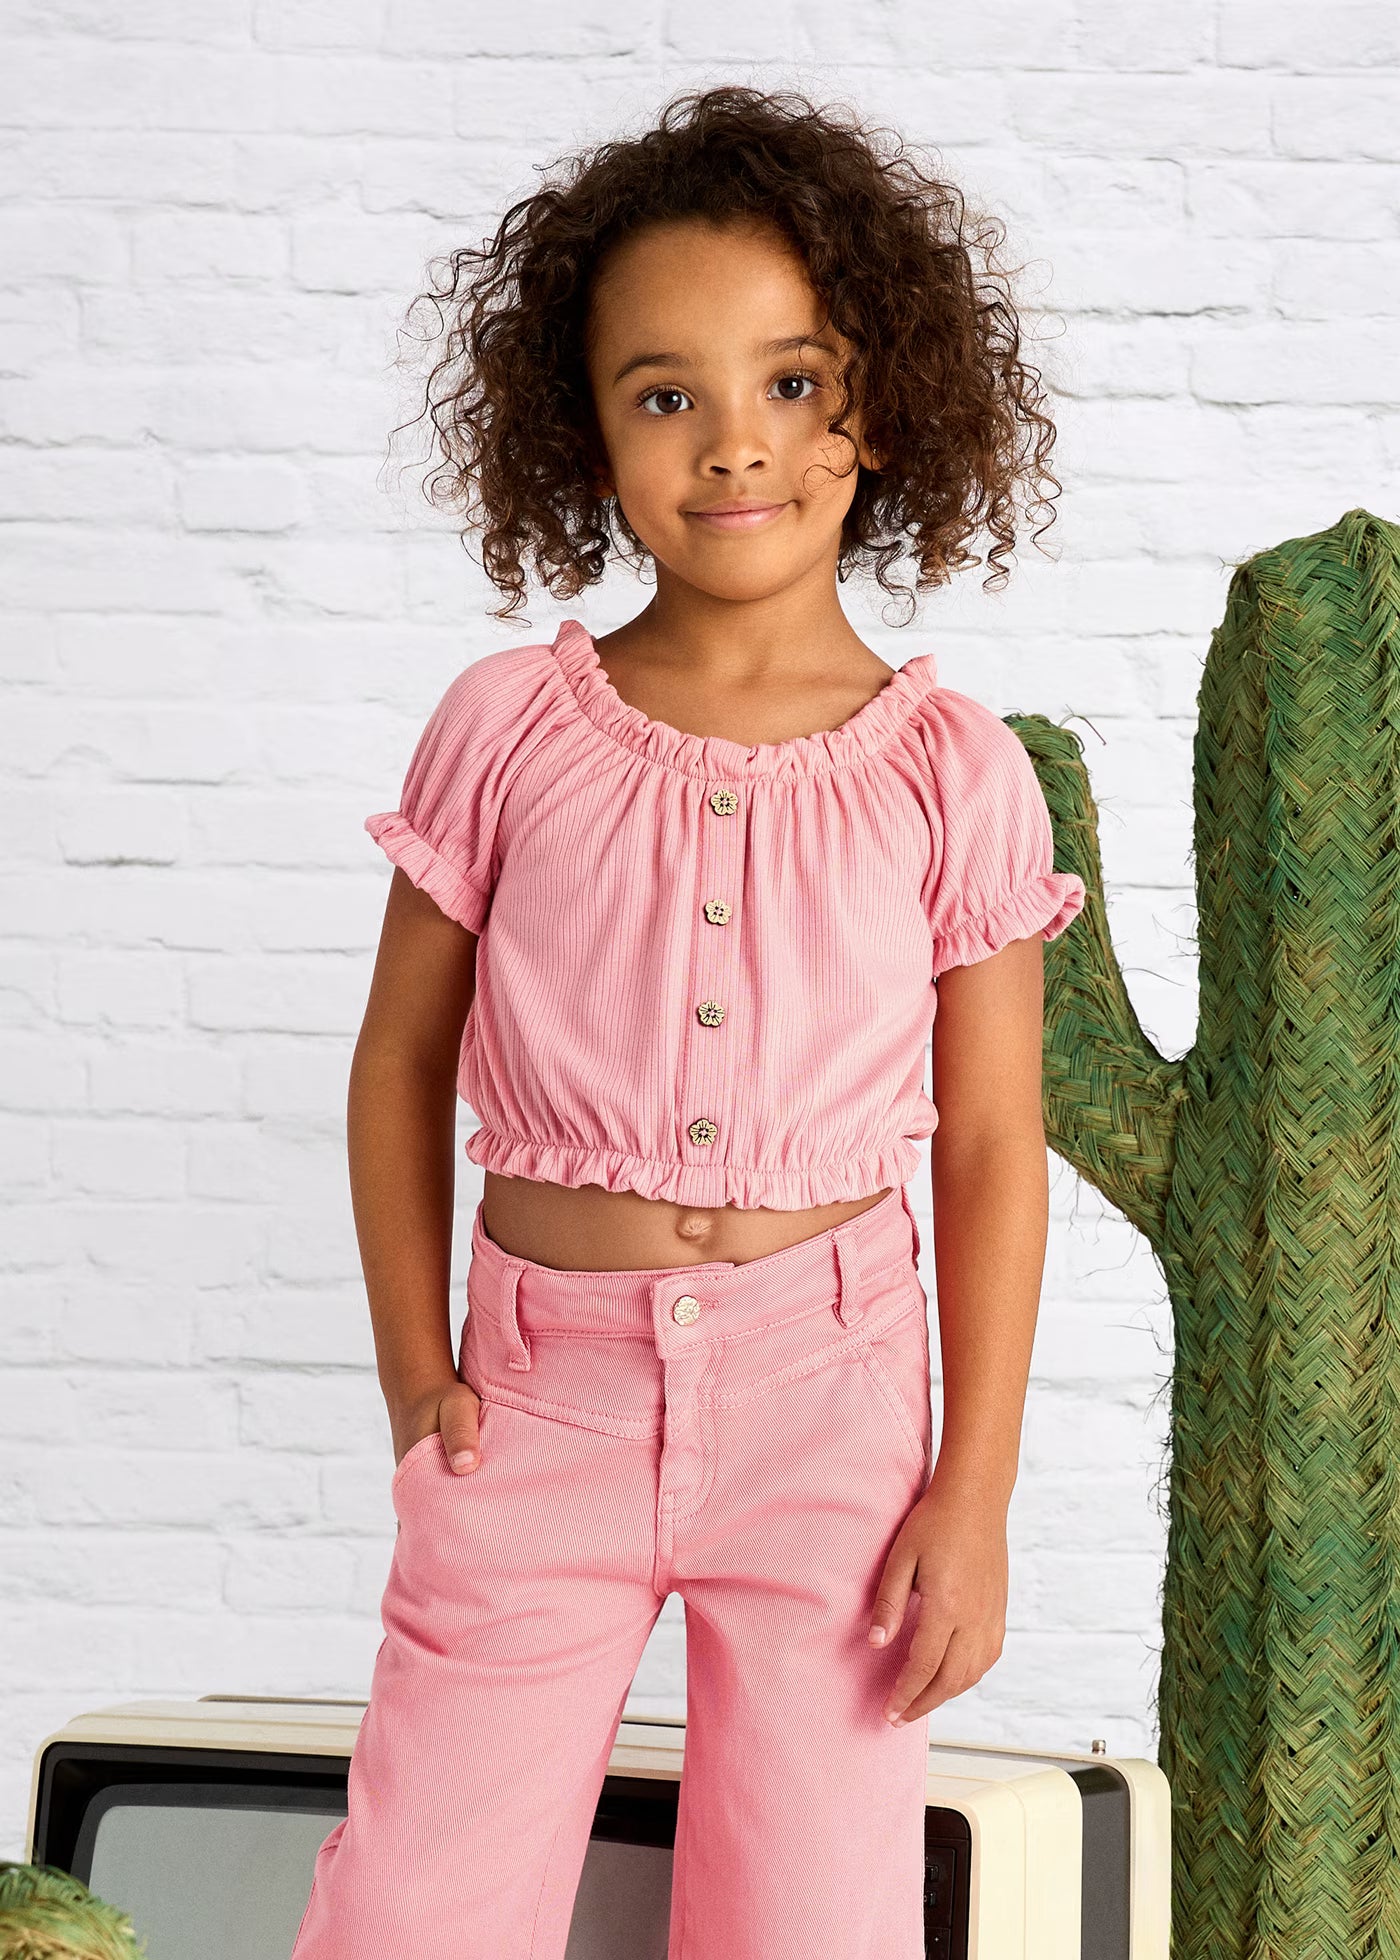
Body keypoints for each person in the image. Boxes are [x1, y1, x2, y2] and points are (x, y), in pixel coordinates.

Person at [290, 83, 1086, 1960]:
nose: (738, 444)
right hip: (534, 1406)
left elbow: (991, 1144)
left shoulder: (956, 775)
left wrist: (972, 1491)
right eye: (667, 396)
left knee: (811, 1924)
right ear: (585, 433)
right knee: (413, 1916)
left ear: (885, 404)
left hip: (835, 1414)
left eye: (793, 383)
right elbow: (401, 1058)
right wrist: (415, 1375)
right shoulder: (507, 728)